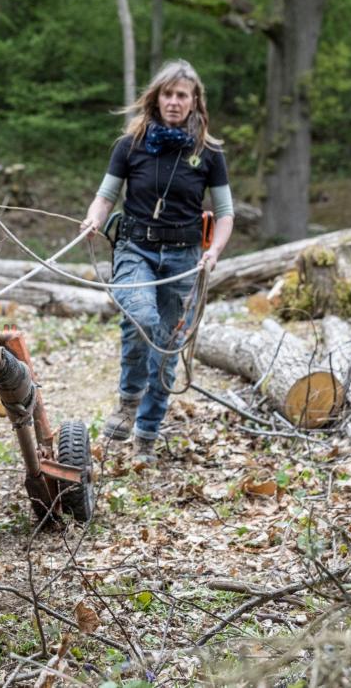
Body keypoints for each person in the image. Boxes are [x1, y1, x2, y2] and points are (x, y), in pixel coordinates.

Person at [81, 60, 235, 465]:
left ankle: (147, 434)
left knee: (167, 348)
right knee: (142, 319)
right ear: (155, 98)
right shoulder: (129, 145)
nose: (173, 101)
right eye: (167, 94)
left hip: (184, 258)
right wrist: (95, 218)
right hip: (135, 248)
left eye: (181, 95)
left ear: (194, 101)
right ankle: (128, 398)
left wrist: (213, 251)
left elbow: (225, 212)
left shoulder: (209, 152)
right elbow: (106, 195)